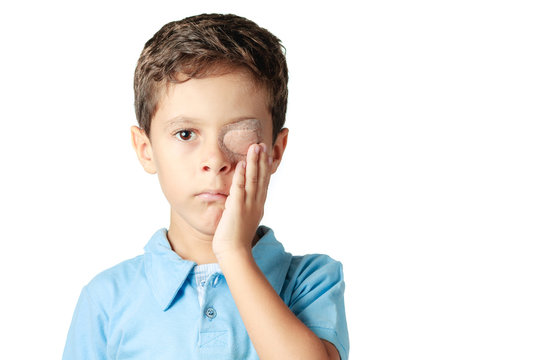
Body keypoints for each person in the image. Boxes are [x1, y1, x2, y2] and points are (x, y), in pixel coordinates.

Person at [62, 13, 349, 360]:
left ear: (275, 151)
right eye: (186, 134)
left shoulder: (311, 281)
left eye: (239, 135)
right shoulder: (106, 299)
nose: (214, 159)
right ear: (145, 149)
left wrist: (234, 253)